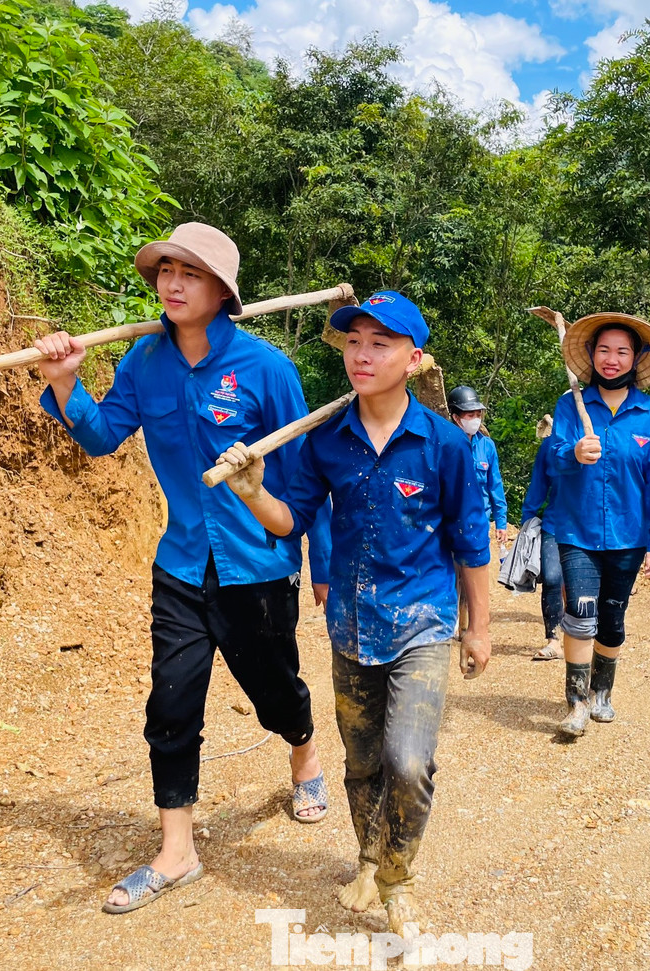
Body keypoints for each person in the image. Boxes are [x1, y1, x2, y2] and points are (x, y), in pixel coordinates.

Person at [32, 222, 329, 914]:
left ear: (221, 290)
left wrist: (322, 564)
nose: (171, 282)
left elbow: (306, 481)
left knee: (275, 691)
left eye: (189, 272)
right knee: (171, 703)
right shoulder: (143, 362)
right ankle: (177, 849)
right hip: (182, 564)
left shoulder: (267, 369)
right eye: (165, 269)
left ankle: (305, 752)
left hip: (258, 567)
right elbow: (103, 438)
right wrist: (66, 382)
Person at [216, 291, 492, 936]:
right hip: (351, 625)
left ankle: (398, 878)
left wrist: (478, 628)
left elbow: (473, 542)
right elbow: (293, 521)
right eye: (353, 342)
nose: (362, 354)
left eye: (380, 343)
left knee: (410, 761)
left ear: (414, 358)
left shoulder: (445, 445)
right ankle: (367, 858)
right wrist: (254, 491)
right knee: (363, 762)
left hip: (422, 621)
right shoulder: (326, 443)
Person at [544, 312, 650, 738]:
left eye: (622, 351)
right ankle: (577, 702)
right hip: (577, 529)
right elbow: (552, 457)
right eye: (604, 350)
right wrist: (573, 453)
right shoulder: (571, 404)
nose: (612, 359)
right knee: (580, 613)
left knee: (612, 618)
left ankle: (603, 691)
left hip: (629, 535)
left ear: (636, 358)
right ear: (591, 354)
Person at [448, 385, 506, 634]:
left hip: (479, 522)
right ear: (455, 417)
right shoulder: (446, 444)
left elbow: (496, 487)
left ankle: (470, 626)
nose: (474, 419)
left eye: (476, 414)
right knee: (451, 576)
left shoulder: (487, 447)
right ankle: (450, 624)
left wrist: (501, 523)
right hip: (449, 522)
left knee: (472, 576)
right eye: (468, 415)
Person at [522, 414, 564, 660]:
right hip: (556, 523)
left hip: (590, 528)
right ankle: (554, 639)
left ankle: (583, 636)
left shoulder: (599, 441)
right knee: (551, 578)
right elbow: (538, 483)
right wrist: (528, 520)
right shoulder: (550, 446)